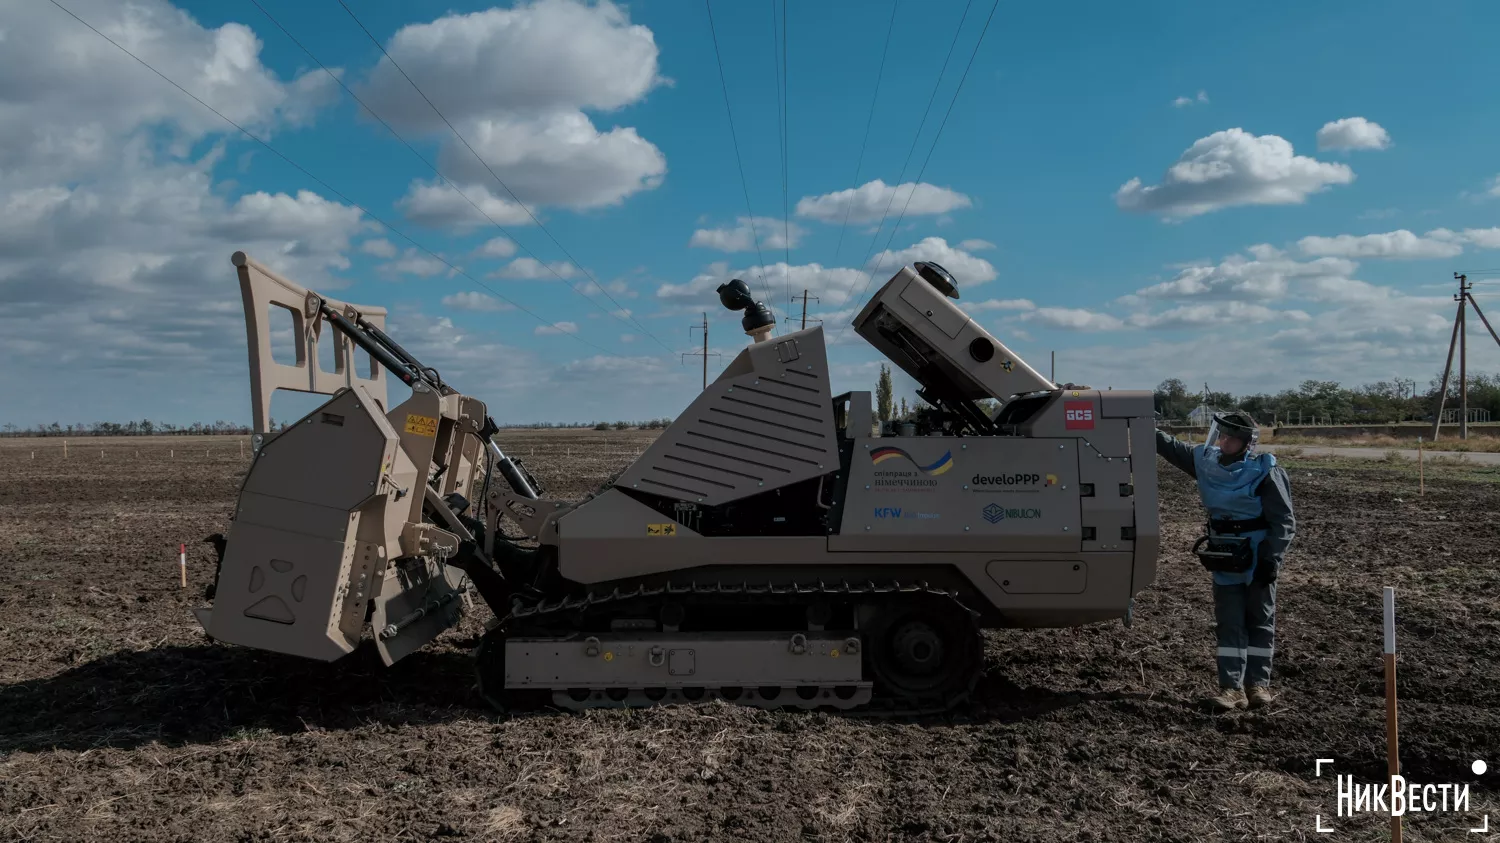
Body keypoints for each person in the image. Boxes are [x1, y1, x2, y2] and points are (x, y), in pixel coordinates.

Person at [1157, 412, 1295, 712]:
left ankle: (1258, 684)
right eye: (1222, 435)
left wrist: (1271, 559)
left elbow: (1283, 521)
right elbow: (1169, 446)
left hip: (1258, 555)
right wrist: (1136, 418)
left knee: (1260, 620)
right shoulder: (1207, 464)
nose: (1223, 441)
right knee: (1230, 623)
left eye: (1231, 437)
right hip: (1224, 554)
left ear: (1246, 443)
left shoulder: (1265, 472)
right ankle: (1231, 689)